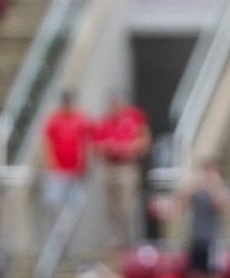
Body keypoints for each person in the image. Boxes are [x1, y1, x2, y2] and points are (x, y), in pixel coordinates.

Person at [93, 92, 151, 250]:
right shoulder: (104, 121)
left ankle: (132, 239)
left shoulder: (135, 117)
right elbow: (97, 145)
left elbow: (144, 141)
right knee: (112, 207)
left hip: (127, 166)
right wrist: (110, 146)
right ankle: (116, 239)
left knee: (128, 205)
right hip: (110, 166)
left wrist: (128, 148)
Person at [41, 90, 92, 228]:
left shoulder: (81, 118)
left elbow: (86, 142)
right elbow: (48, 141)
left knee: (75, 207)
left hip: (76, 170)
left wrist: (85, 162)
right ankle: (56, 236)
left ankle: (67, 239)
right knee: (54, 203)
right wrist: (50, 159)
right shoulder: (54, 119)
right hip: (58, 169)